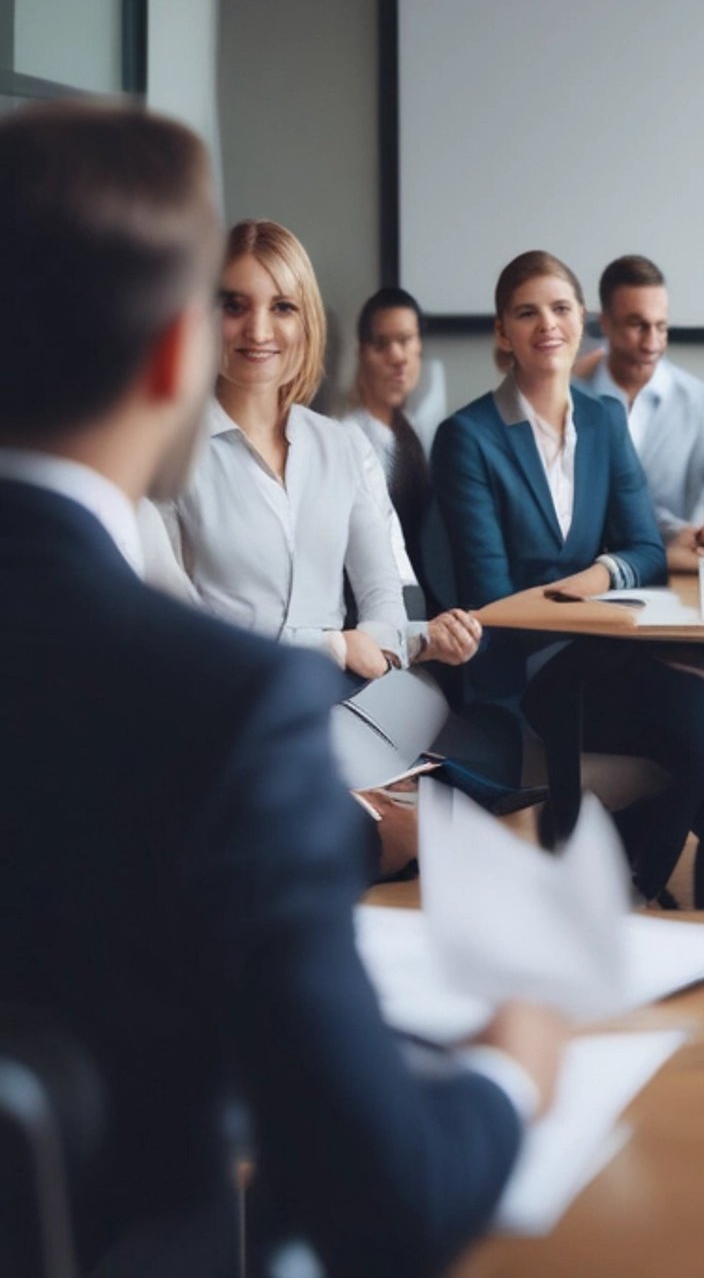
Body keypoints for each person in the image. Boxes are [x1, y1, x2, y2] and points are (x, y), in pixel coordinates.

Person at [0, 101, 561, 1277]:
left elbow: (389, 608)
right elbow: (387, 1197)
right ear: (177, 352)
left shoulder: (334, 462)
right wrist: (519, 1064)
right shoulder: (214, 707)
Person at [429, 249, 704, 908]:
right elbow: (494, 597)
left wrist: (598, 575)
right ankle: (635, 893)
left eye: (560, 309)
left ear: (583, 322)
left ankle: (697, 908)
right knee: (703, 715)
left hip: (606, 650)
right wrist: (588, 592)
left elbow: (642, 545)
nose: (546, 325)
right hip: (526, 667)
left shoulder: (604, 422)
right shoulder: (467, 438)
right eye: (526, 313)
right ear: (503, 334)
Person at [161, 222, 481, 690]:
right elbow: (175, 630)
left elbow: (382, 592)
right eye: (235, 305)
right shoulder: (168, 454)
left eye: (283, 307)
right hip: (227, 700)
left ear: (306, 320)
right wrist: (334, 647)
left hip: (341, 693)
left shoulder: (342, 445)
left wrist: (378, 643)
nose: (259, 329)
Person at [585, 253, 704, 572]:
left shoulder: (700, 403)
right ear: (605, 324)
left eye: (661, 326)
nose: (652, 342)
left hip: (676, 573)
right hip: (587, 572)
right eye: (638, 325)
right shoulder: (573, 396)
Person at [340, 285, 434, 587]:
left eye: (405, 340)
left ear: (419, 346)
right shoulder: (345, 438)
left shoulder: (413, 428)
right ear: (362, 353)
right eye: (381, 344)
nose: (397, 356)